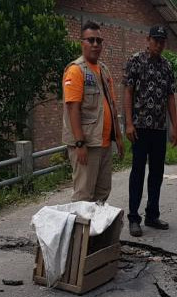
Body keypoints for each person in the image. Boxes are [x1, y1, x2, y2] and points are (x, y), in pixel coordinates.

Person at [123, 26, 177, 237]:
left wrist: (175, 126)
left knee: (157, 173)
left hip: (158, 129)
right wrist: (128, 123)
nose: (159, 44)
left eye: (162, 41)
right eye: (156, 40)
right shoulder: (135, 61)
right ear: (147, 40)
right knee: (137, 172)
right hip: (139, 128)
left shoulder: (167, 66)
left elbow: (171, 97)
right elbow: (128, 92)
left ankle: (152, 215)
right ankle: (134, 218)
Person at [62, 21, 124, 202]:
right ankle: (80, 231)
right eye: (91, 40)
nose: (95, 44)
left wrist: (118, 138)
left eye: (99, 40)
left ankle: (96, 231)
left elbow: (112, 106)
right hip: (87, 145)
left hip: (104, 143)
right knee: (84, 196)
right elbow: (73, 108)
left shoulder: (104, 70)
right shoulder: (75, 71)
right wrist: (80, 143)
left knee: (102, 192)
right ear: (82, 43)